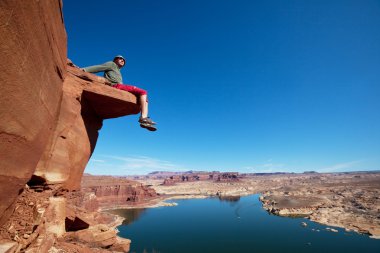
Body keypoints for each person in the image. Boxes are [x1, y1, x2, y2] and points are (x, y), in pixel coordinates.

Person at [82, 55, 156, 131]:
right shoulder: (111, 64)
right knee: (143, 91)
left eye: (123, 60)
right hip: (116, 86)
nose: (122, 60)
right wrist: (83, 70)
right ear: (115, 60)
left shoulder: (117, 70)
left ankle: (145, 119)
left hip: (120, 87)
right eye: (120, 58)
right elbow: (98, 67)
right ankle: (143, 118)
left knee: (145, 98)